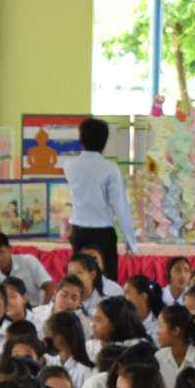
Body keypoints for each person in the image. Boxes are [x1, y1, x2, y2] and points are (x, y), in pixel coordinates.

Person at [62, 118, 135, 281]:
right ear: (105, 141)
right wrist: (130, 240)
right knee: (107, 281)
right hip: (103, 233)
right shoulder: (110, 169)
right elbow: (120, 206)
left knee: (80, 279)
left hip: (79, 233)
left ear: (81, 139)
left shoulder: (69, 165)